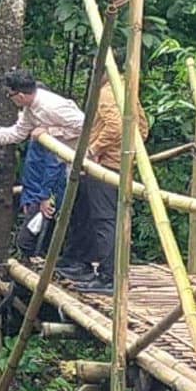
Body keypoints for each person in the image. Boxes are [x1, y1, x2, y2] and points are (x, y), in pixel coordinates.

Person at [59, 57, 150, 294]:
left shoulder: (108, 93)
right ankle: (96, 268)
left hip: (106, 166)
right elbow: (143, 127)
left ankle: (109, 277)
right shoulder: (125, 91)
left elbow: (117, 126)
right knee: (104, 218)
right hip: (118, 163)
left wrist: (95, 150)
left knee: (104, 220)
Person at [0, 69, 85, 149]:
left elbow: (86, 126)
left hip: (86, 158)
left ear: (20, 96)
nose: (9, 98)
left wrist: (50, 132)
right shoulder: (30, 107)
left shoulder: (51, 106)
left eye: (9, 95)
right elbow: (18, 133)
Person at [15, 141, 67, 259]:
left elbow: (54, 166)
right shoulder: (34, 139)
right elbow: (32, 170)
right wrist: (27, 199)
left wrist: (45, 196)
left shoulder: (50, 138)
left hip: (46, 195)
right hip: (34, 193)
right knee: (31, 241)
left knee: (29, 241)